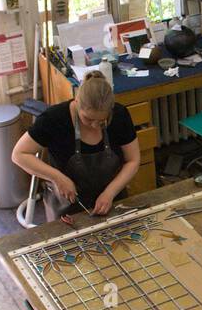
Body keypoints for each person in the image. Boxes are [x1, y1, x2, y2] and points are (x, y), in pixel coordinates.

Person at [12, 70, 141, 221]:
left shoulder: (119, 115)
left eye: (101, 121)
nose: (94, 125)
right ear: (76, 102)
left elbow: (133, 160)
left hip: (113, 201)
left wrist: (110, 193)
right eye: (88, 119)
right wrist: (58, 178)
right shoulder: (54, 119)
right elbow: (19, 154)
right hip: (67, 207)